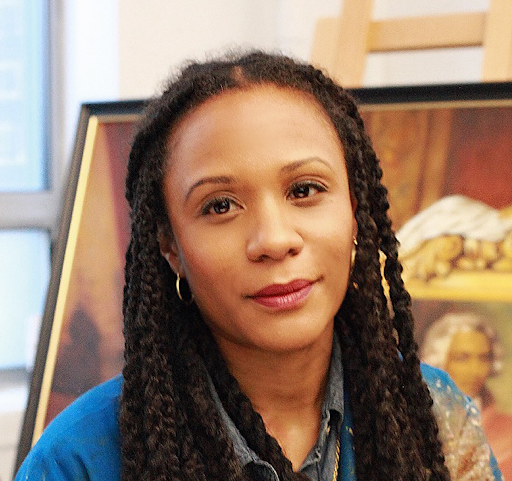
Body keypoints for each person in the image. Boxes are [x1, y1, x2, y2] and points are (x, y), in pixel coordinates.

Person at [15, 51, 502, 480]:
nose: (274, 240)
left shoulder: (434, 414)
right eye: (220, 206)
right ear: (169, 246)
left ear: (355, 210)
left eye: (305, 190)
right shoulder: (78, 459)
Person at [422, 312, 512, 479]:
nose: (475, 370)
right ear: (439, 360)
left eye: (483, 358)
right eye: (462, 358)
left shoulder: (508, 429)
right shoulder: (418, 420)